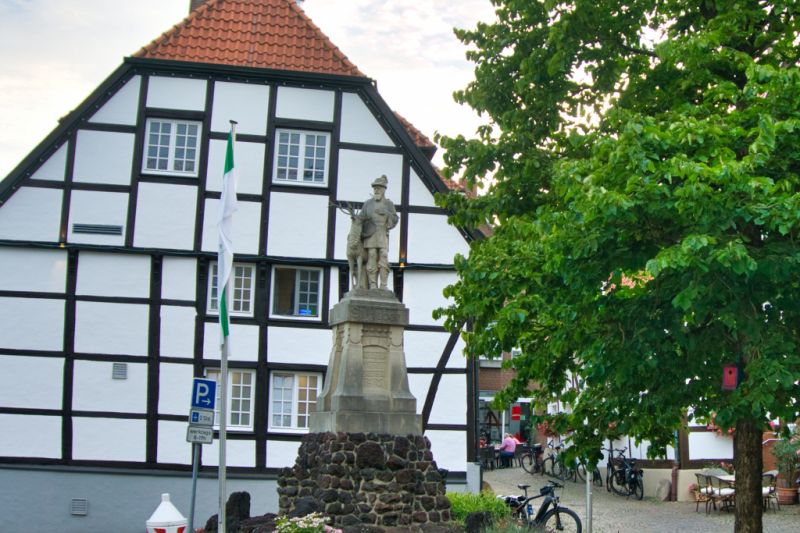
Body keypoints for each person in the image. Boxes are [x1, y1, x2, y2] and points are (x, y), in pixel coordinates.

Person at [360, 175, 398, 289]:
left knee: (384, 255)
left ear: (384, 189)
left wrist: (386, 212)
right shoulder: (367, 203)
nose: (376, 190)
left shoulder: (389, 204)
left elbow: (395, 219)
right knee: (372, 255)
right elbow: (361, 218)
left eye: (379, 188)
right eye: (375, 188)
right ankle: (372, 284)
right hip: (370, 233)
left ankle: (383, 285)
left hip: (382, 232)